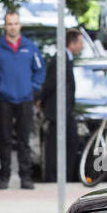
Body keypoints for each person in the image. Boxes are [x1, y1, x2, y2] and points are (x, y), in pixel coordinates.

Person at [0, 10, 45, 189]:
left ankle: (26, 177)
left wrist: (34, 88)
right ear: (5, 26)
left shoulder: (30, 46)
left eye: (15, 23)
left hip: (25, 98)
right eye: (9, 23)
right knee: (4, 139)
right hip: (4, 99)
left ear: (20, 25)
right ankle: (4, 176)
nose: (13, 27)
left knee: (24, 140)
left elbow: (39, 69)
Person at [40, 28, 83, 184]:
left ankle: (65, 177)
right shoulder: (61, 59)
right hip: (57, 110)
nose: (82, 47)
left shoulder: (67, 58)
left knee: (71, 142)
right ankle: (54, 179)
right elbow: (51, 83)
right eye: (80, 43)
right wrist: (42, 101)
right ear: (72, 43)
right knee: (55, 146)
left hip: (65, 110)